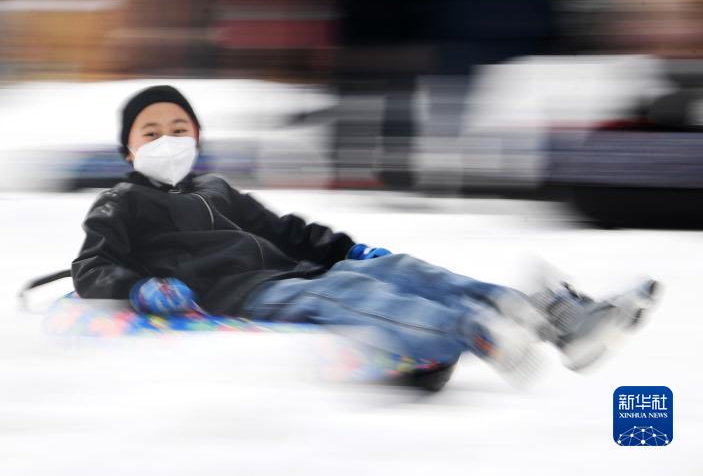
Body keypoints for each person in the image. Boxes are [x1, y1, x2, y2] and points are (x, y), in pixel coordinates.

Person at [71, 85, 659, 383]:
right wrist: (142, 288)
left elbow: (283, 229)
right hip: (242, 291)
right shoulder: (121, 203)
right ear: (128, 148)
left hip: (298, 268)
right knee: (360, 297)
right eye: (151, 133)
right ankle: (481, 331)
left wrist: (347, 248)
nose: (168, 140)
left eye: (179, 128)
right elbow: (92, 269)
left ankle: (555, 317)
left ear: (197, 137)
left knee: (405, 271)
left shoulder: (218, 189)